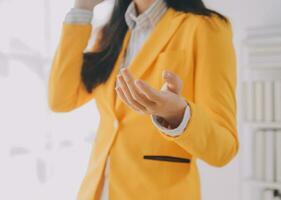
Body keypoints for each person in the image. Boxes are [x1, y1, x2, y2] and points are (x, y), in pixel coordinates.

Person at [48, 0, 239, 199]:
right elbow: (61, 100)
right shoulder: (109, 33)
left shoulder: (206, 28)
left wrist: (178, 115)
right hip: (97, 192)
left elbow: (223, 150)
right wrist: (82, 9)